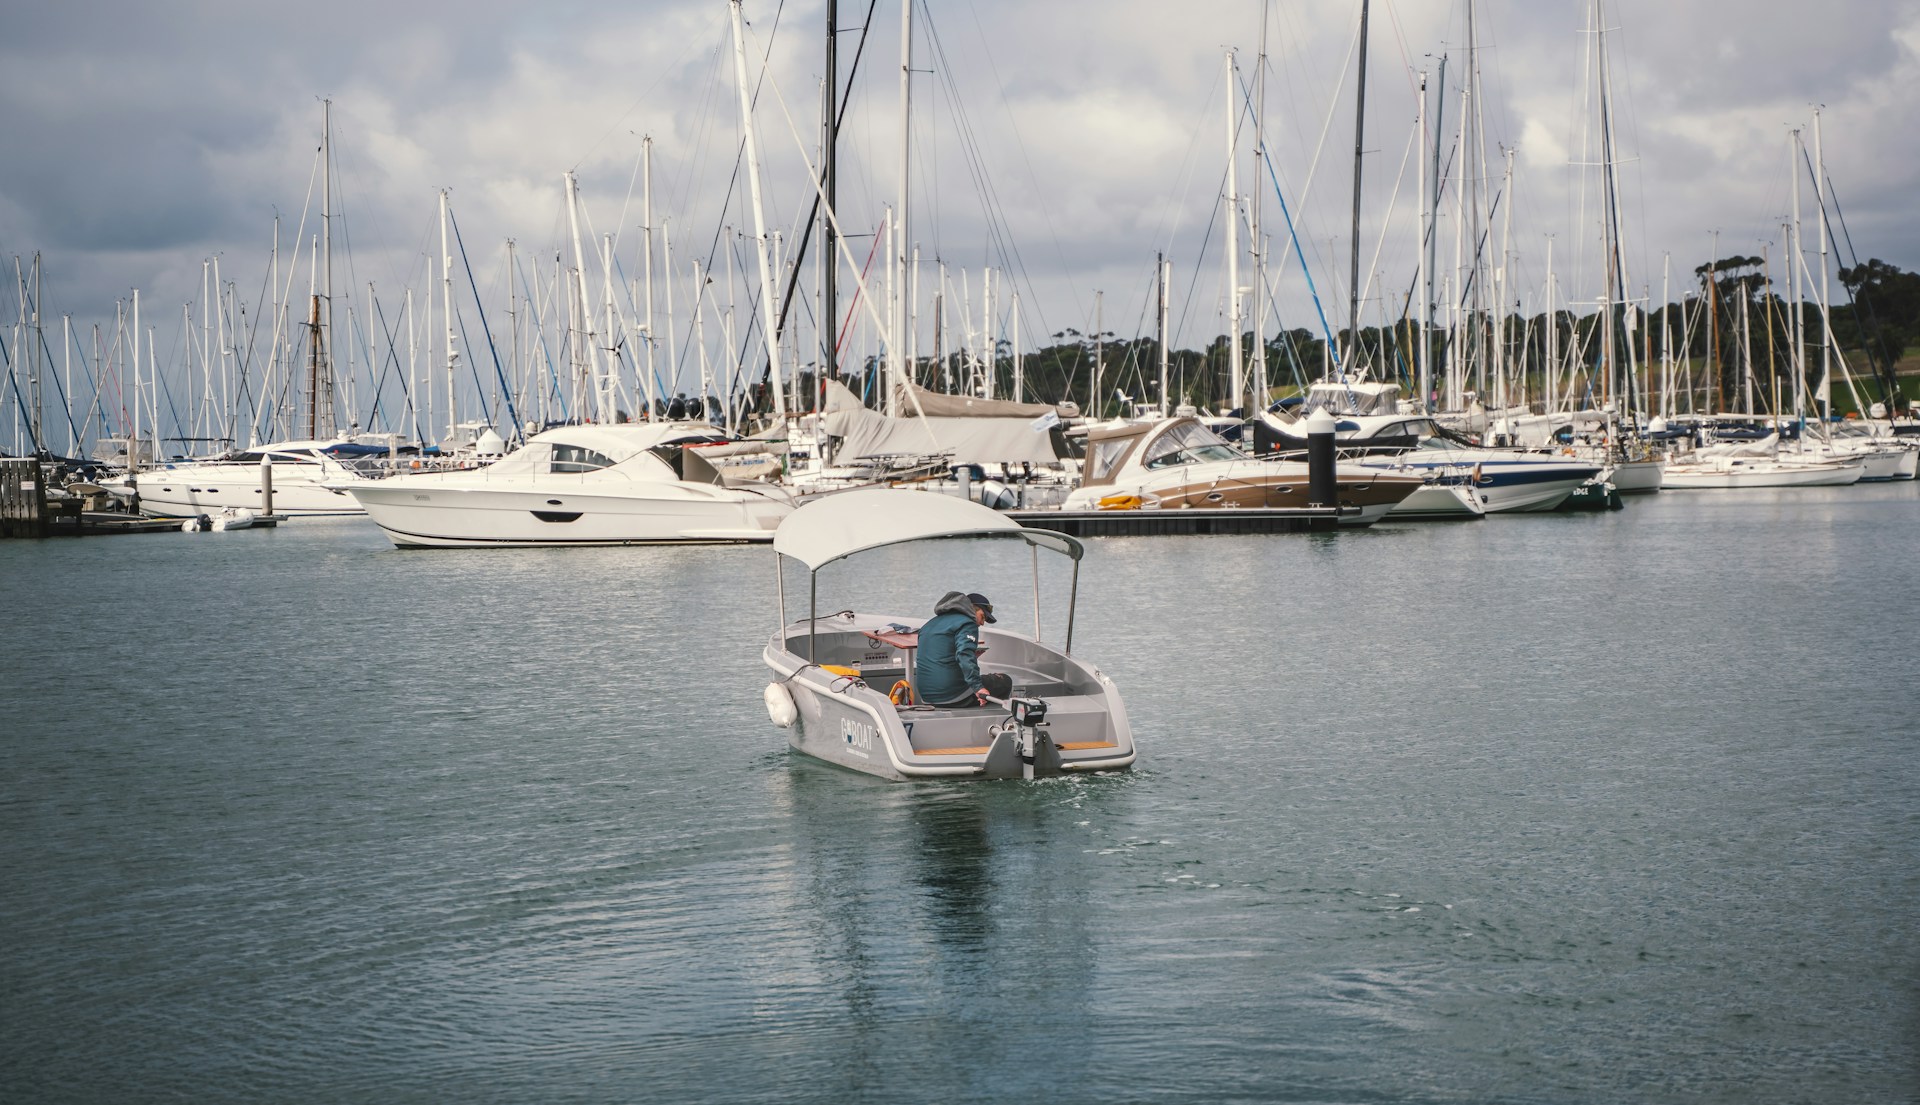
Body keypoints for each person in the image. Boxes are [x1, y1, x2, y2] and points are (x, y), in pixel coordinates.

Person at [914, 591, 1013, 707]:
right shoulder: (967, 623)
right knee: (1005, 681)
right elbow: (964, 654)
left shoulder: (929, 624)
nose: (982, 623)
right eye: (983, 616)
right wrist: (978, 687)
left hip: (926, 696)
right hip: (953, 695)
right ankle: (997, 720)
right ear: (971, 609)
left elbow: (941, 654)